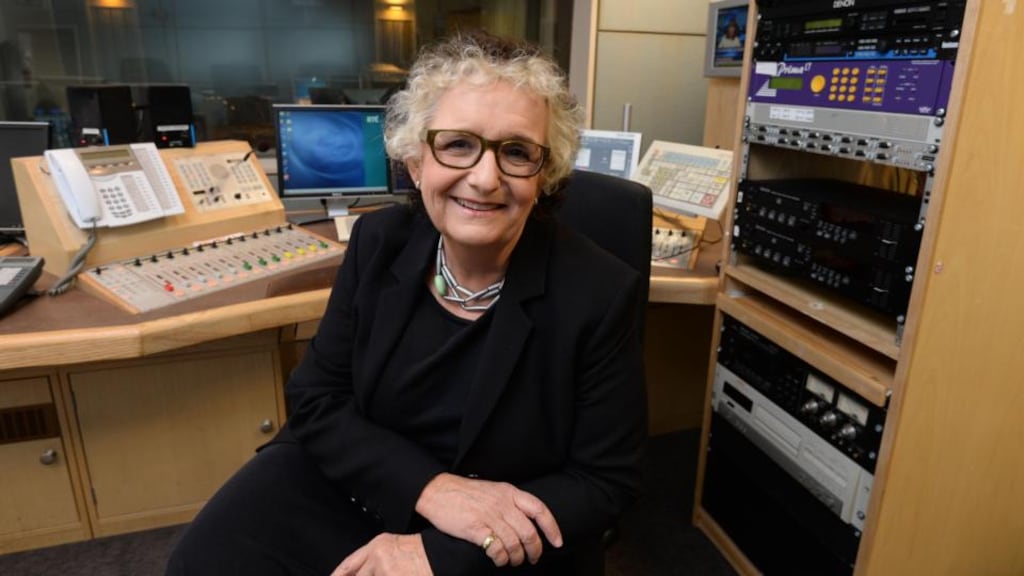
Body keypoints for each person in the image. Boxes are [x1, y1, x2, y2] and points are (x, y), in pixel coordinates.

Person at [167, 30, 647, 576]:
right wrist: (431, 489)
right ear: (417, 162)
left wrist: (436, 554)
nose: (484, 178)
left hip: (494, 535)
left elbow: (606, 482)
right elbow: (317, 398)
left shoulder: (600, 292)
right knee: (204, 561)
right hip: (371, 482)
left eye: (516, 152)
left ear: (544, 175)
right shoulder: (378, 242)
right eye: (457, 144)